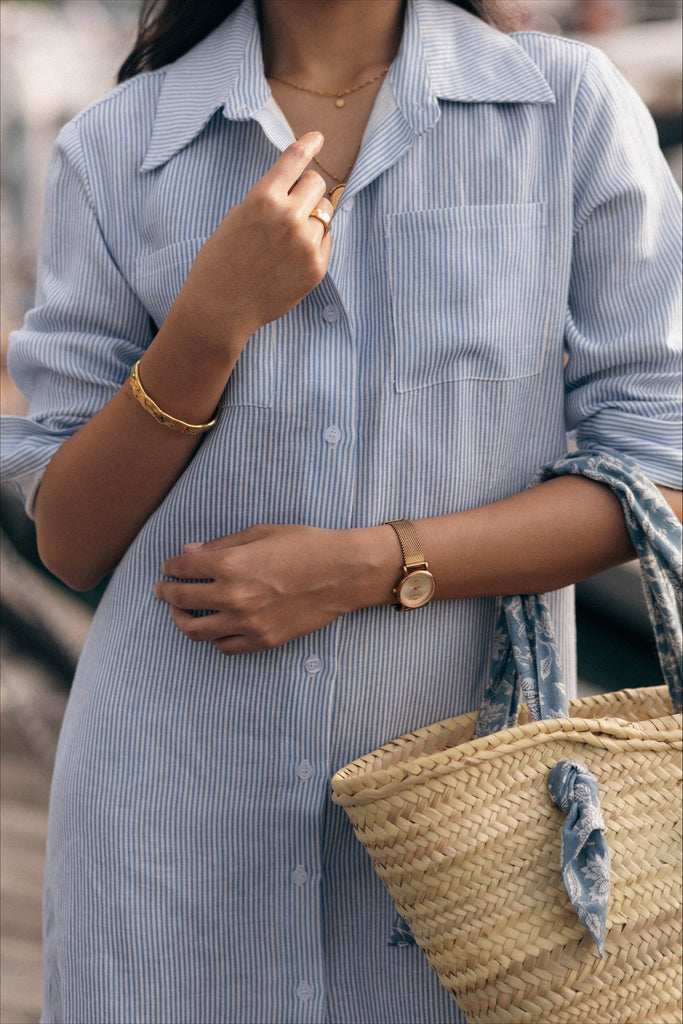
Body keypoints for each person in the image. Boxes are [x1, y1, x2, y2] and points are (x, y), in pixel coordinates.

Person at [1, 0, 681, 1020]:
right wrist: (204, 325)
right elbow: (71, 534)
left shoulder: (561, 111)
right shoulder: (119, 146)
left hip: (468, 839)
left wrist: (372, 564)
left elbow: (657, 474)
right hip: (169, 831)